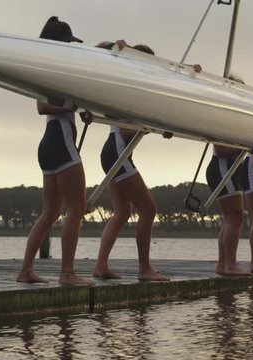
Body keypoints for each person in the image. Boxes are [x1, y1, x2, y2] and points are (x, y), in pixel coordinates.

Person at [16, 16, 94, 286]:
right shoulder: (50, 71)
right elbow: (41, 107)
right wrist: (70, 109)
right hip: (60, 140)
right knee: (77, 208)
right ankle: (68, 273)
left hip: (50, 144)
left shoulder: (49, 68)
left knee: (50, 213)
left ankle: (25, 270)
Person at [91, 41, 169, 281]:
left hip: (114, 151)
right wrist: (151, 125)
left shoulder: (133, 85)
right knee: (148, 208)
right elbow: (125, 129)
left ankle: (101, 266)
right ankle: (145, 269)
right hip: (117, 151)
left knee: (123, 212)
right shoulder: (127, 85)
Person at [205, 145, 252, 276]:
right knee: (235, 217)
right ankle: (230, 265)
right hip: (222, 168)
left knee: (231, 218)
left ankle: (223, 264)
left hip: (228, 168)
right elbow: (220, 150)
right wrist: (244, 148)